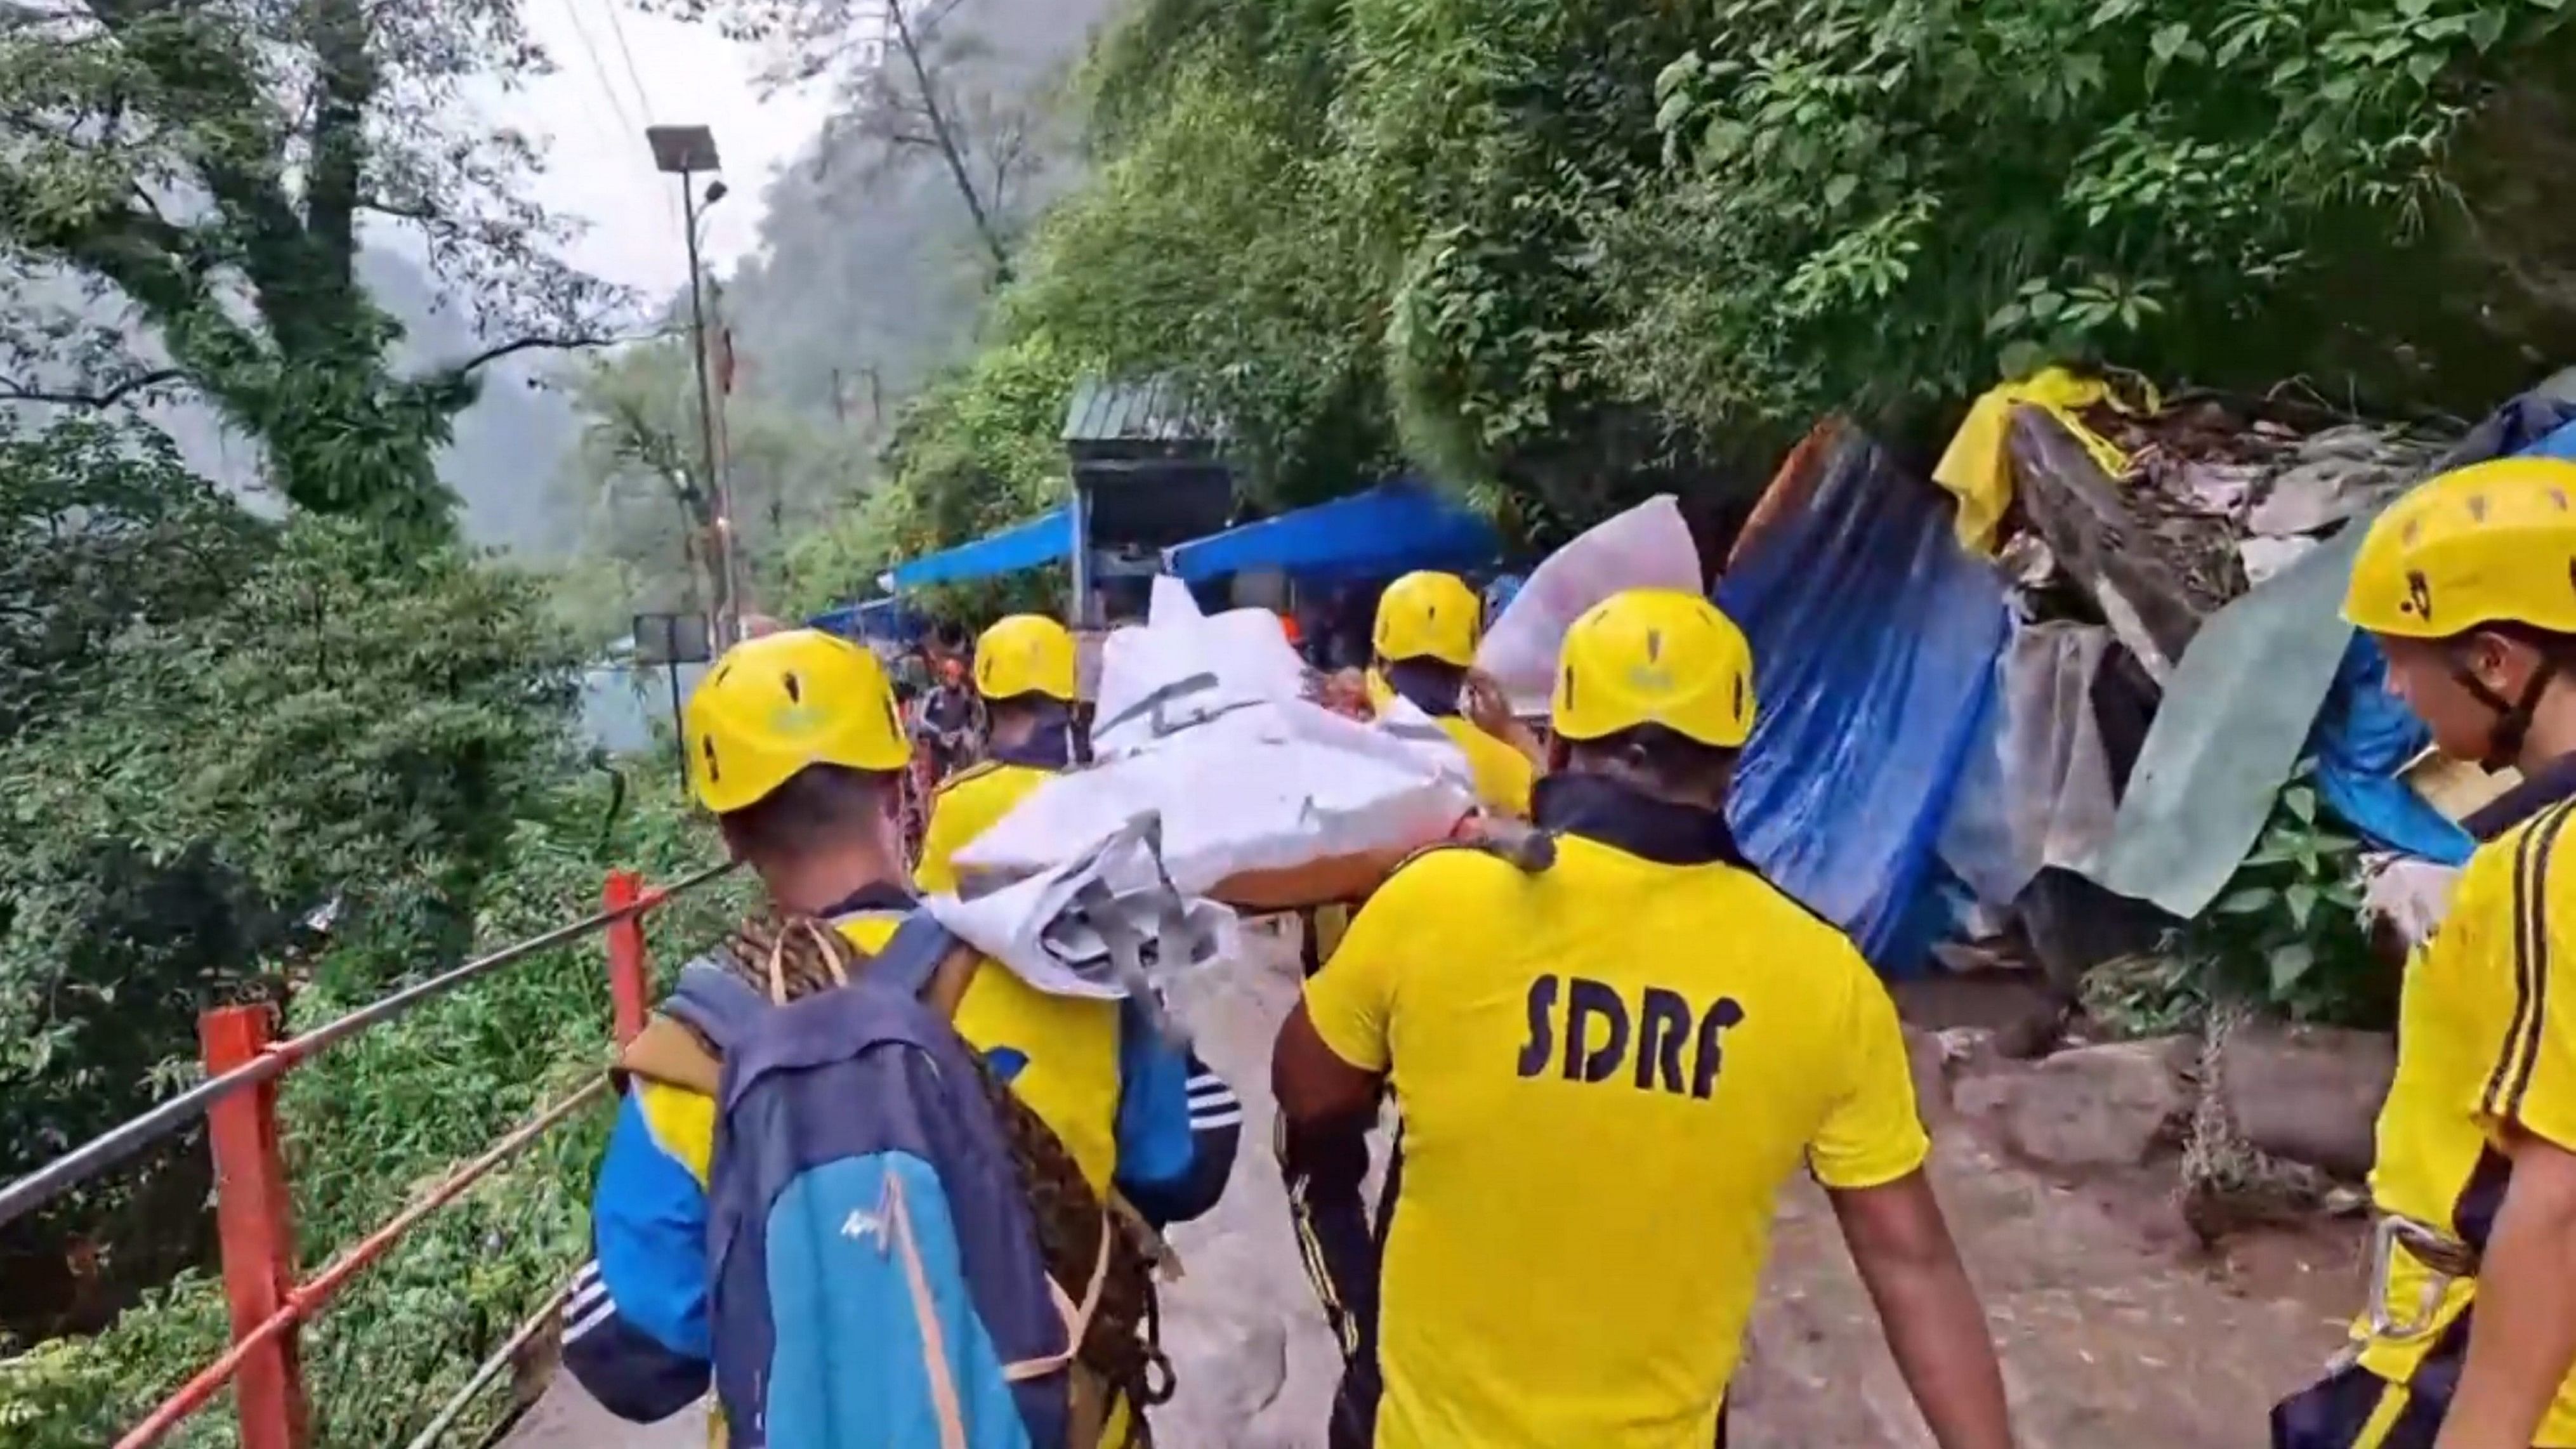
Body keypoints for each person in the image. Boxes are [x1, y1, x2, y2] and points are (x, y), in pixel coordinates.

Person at [1274, 588, 2016, 1449]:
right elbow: (1909, 1257)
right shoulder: (1823, 979)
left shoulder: (1435, 901)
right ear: (1733, 767)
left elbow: (1304, 1087)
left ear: (1556, 741)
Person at [562, 628, 1237, 1443]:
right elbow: (1187, 1162)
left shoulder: (689, 1055)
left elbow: (630, 1353)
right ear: (896, 783)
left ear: (730, 836)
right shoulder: (1071, 963)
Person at [2273, 456, 2576, 1449]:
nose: (2397, 693)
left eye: (2404, 660)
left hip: (2476, 1362)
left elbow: (2561, 1195)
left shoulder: (2544, 862)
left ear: (2496, 662)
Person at [1283, 569, 1548, 1445]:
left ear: (1382, 649)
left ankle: (1366, 1333)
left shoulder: (1349, 746)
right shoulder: (1508, 767)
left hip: (1365, 1010)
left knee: (1316, 1155)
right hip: (1484, 1019)